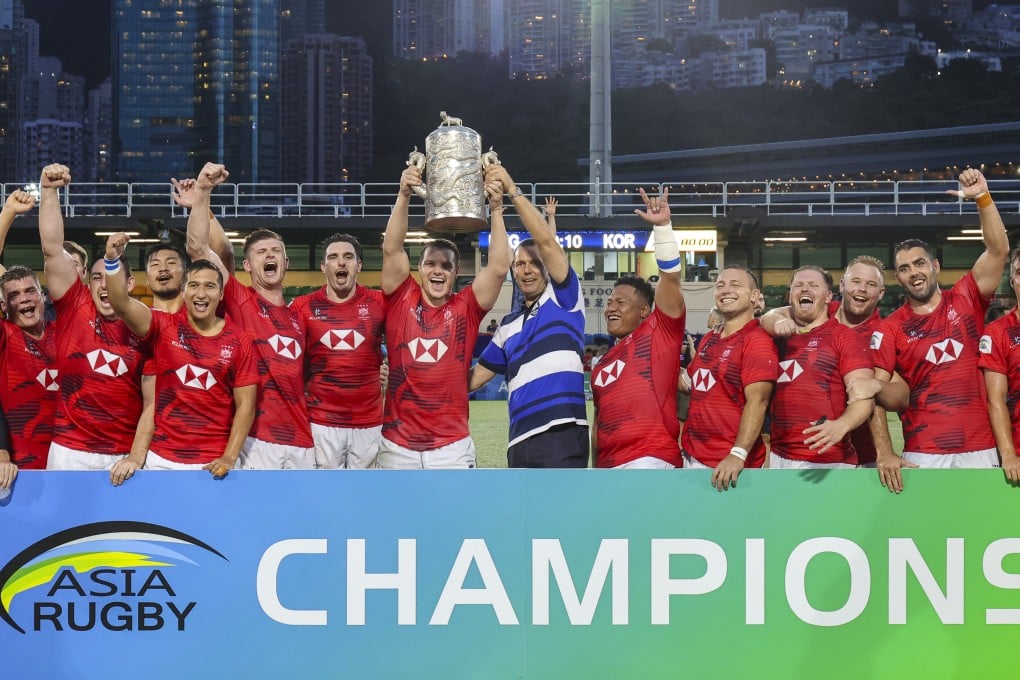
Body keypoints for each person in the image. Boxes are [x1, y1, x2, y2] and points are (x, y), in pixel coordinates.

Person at [870, 168, 1008, 491]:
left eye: (920, 264)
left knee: (980, 522)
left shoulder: (966, 298)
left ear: (935, 266)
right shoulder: (890, 328)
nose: (914, 273)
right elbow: (873, 393)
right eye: (904, 268)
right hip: (923, 452)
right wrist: (885, 451)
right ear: (898, 278)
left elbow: (998, 251)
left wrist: (983, 198)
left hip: (980, 448)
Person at [378, 163, 510, 469]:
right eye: (431, 264)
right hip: (397, 446)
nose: (437, 270)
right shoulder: (400, 297)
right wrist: (404, 194)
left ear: (455, 273)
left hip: (451, 447)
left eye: (446, 266)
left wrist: (496, 209)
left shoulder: (466, 307)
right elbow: (392, 249)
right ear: (420, 269)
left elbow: (499, 267)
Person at [185, 162, 315, 469]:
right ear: (247, 266)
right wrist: (203, 191)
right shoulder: (239, 299)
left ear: (286, 263)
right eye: (261, 252)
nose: (269, 255)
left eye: (276, 251)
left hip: (302, 440)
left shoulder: (301, 314)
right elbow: (198, 248)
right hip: (257, 442)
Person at [102, 232, 259, 477]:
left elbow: (246, 406)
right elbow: (121, 303)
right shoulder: (163, 327)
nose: (201, 293)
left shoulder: (240, 340)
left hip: (213, 461)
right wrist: (112, 261)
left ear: (221, 294)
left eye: (210, 286)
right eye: (194, 285)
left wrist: (229, 456)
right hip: (162, 459)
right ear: (183, 291)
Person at [469, 167, 588, 468]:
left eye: (535, 262)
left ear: (547, 267)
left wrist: (511, 189)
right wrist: (420, 376)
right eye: (519, 264)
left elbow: (547, 243)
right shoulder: (507, 326)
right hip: (518, 441)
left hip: (562, 433)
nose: (527, 269)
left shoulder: (564, 299)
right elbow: (473, 379)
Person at [37, 164, 147, 471]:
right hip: (70, 451)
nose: (104, 285)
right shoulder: (75, 304)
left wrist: (136, 455)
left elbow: (153, 400)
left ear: (129, 284)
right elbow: (52, 249)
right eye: (97, 277)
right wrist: (49, 191)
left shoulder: (144, 323)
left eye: (111, 276)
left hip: (122, 454)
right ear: (87, 282)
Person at [762, 255, 908, 468]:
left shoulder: (882, 333)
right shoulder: (823, 309)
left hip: (859, 451)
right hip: (799, 448)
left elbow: (897, 395)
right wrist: (777, 321)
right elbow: (772, 315)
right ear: (841, 286)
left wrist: (884, 450)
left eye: (871, 284)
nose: (862, 289)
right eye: (856, 281)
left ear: (881, 293)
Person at [591, 187, 686, 468]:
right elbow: (598, 425)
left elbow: (670, 279)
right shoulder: (600, 364)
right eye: (609, 302)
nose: (611, 308)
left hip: (649, 457)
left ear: (645, 311)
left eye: (621, 302)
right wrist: (595, 470)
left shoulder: (659, 333)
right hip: (609, 465)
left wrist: (663, 229)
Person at [291, 234, 386, 469]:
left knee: (364, 490)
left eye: (348, 257)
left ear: (359, 265)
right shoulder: (302, 307)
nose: (341, 262)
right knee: (324, 489)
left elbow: (404, 340)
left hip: (369, 422)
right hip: (321, 421)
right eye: (333, 257)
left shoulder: (379, 303)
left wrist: (391, 368)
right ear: (324, 267)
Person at [681, 264, 778, 490]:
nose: (726, 290)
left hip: (730, 465)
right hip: (693, 456)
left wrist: (738, 454)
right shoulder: (710, 338)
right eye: (720, 285)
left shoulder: (757, 341)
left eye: (735, 285)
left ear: (754, 296)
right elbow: (689, 384)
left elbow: (758, 402)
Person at [0, 189, 59, 471]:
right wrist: (8, 213)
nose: (23, 299)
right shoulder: (5, 336)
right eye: (14, 295)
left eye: (30, 291)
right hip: (19, 468)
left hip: (70, 462)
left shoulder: (65, 332)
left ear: (43, 296)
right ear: (4, 305)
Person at [979, 245, 1020, 485]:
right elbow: (995, 399)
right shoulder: (998, 332)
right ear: (1012, 281)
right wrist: (1008, 454)